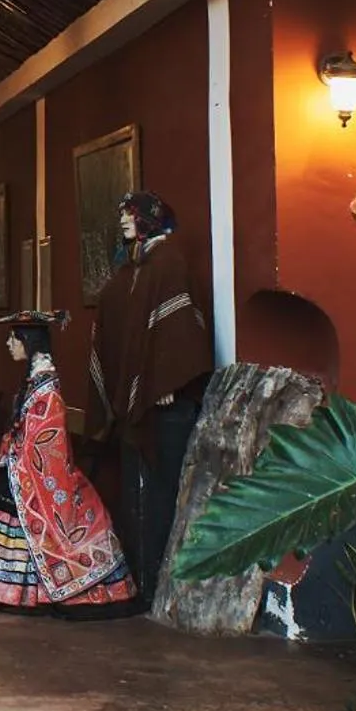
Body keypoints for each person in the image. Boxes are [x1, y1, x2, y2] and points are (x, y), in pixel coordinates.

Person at [0, 311, 139, 617]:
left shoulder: (46, 390)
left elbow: (47, 444)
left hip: (33, 475)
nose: (9, 344)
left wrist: (14, 463)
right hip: (19, 468)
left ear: (29, 342)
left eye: (14, 338)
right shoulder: (36, 382)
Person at [89, 191, 213, 598]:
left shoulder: (167, 263)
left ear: (149, 219)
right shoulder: (137, 267)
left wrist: (165, 383)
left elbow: (177, 332)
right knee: (137, 496)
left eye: (130, 215)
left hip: (165, 405)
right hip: (138, 408)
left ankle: (156, 580)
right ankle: (139, 576)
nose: (124, 221)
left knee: (159, 494)